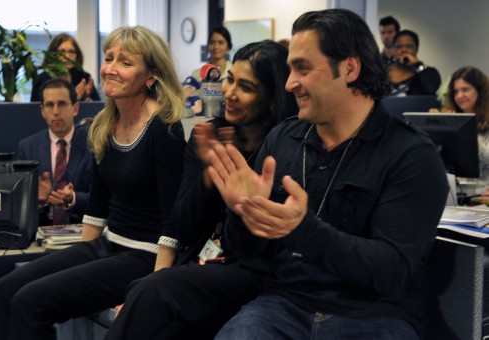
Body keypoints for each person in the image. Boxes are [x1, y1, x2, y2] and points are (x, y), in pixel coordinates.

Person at [205, 9, 448, 339]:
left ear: (349, 69)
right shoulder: (284, 138)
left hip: (374, 316)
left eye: (302, 68)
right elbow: (245, 251)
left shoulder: (410, 154)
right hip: (284, 306)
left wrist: (303, 229)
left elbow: (390, 271)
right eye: (290, 69)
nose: (289, 84)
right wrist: (244, 211)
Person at [0, 25, 186, 340]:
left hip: (143, 255)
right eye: (109, 58)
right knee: (4, 287)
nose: (110, 69)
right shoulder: (105, 125)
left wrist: (153, 287)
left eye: (125, 62)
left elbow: (172, 224)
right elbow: (97, 208)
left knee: (30, 301)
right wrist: (77, 266)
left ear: (151, 76)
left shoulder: (165, 130)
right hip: (105, 245)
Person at [104, 40, 298, 340]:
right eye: (230, 79)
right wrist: (209, 176)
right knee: (144, 291)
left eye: (246, 87)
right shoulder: (208, 135)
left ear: (272, 98)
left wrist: (242, 195)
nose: (230, 93)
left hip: (253, 269)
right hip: (202, 260)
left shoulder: (286, 149)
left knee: (152, 291)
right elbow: (182, 225)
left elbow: (262, 248)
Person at [17, 78, 92, 226]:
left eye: (62, 104)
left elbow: (107, 197)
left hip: (83, 231)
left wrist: (73, 198)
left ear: (75, 108)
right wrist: (38, 200)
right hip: (40, 232)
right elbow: (16, 203)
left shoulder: (94, 145)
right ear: (42, 111)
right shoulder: (27, 148)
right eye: (50, 105)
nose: (56, 112)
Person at [442, 66, 489, 200]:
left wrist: (472, 141)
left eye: (465, 90)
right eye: (456, 91)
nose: (459, 96)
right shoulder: (452, 118)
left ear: (480, 91)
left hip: (483, 194)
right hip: (457, 193)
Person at [31, 33, 101, 102]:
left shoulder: (83, 77)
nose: (67, 56)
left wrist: (86, 97)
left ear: (77, 55)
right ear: (52, 55)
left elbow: (98, 109)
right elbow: (34, 110)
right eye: (62, 52)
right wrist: (74, 98)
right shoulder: (41, 79)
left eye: (71, 52)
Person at [388, 29, 441, 96]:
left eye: (409, 46)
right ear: (393, 49)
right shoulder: (384, 72)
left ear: (416, 49)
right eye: (399, 47)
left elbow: (433, 89)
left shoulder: (429, 72)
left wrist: (418, 65)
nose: (404, 50)